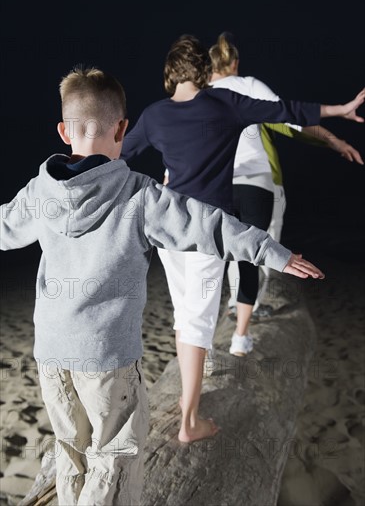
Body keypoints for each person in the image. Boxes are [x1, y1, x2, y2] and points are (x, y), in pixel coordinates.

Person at [0, 66, 328, 504]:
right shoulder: (138, 194)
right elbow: (208, 225)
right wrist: (273, 252)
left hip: (51, 354)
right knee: (114, 456)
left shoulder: (38, 193)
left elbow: (3, 228)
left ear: (64, 130)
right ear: (122, 128)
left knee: (70, 450)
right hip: (107, 358)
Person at [120, 34, 365, 443]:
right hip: (207, 232)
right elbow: (285, 110)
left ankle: (186, 400)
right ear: (202, 69)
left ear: (169, 74)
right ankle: (189, 422)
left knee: (185, 317)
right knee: (198, 323)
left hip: (165, 232)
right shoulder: (224, 104)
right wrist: (340, 109)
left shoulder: (154, 115)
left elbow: (119, 156)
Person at [209, 32, 364, 353]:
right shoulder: (250, 89)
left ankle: (224, 317)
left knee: (222, 250)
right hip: (259, 182)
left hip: (217, 183)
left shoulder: (202, 96)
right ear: (235, 63)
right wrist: (335, 140)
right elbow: (292, 120)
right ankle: (242, 321)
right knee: (259, 247)